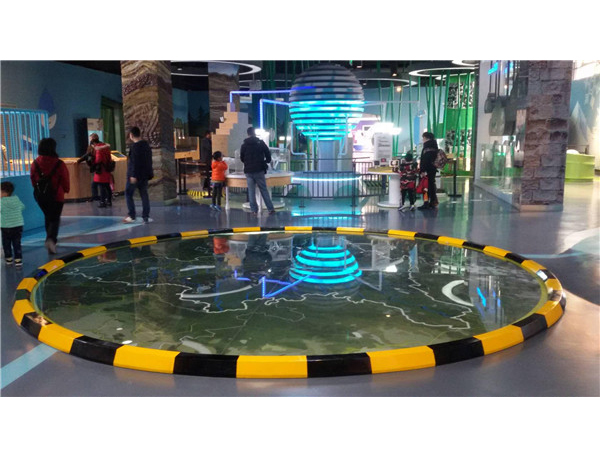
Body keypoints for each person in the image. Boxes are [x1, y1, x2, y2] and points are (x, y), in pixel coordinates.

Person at [30, 137, 70, 254]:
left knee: (48, 217)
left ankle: (49, 238)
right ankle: (51, 240)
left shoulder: (35, 163)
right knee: (55, 218)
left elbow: (32, 178)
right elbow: (65, 179)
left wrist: (39, 189)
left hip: (41, 196)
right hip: (56, 195)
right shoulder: (59, 163)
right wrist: (66, 189)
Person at [240, 127, 275, 216]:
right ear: (254, 133)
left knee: (251, 191)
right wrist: (267, 161)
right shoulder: (260, 143)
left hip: (248, 171)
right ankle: (270, 209)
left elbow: (242, 158)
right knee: (263, 189)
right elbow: (268, 153)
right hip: (259, 169)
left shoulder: (244, 145)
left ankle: (254, 210)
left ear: (248, 134)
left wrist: (247, 163)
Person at [123, 126, 153, 223]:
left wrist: (133, 175)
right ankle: (145, 216)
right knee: (144, 194)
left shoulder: (135, 147)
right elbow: (148, 161)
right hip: (144, 175)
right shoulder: (146, 146)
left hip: (135, 175)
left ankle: (132, 215)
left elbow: (134, 163)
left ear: (131, 135)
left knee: (128, 193)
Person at [1, 181, 25, 267]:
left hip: (6, 226)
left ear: (3, 192)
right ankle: (18, 259)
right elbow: (22, 207)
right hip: (18, 225)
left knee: (6, 243)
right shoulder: (16, 198)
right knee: (17, 243)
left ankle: (9, 258)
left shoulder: (1, 202)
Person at [418, 132, 439, 210]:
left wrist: (422, 170)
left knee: (425, 187)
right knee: (431, 185)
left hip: (427, 170)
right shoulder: (434, 146)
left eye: (423, 138)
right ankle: (433, 201)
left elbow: (425, 160)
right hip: (432, 169)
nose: (422, 140)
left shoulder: (427, 147)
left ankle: (426, 203)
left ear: (426, 138)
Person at [92, 142, 113, 208]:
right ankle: (109, 201)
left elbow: (98, 160)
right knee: (107, 186)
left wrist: (94, 162)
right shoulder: (107, 149)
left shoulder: (98, 150)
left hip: (101, 170)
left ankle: (102, 202)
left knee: (101, 186)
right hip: (107, 169)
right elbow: (109, 158)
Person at [200, 130, 212, 196]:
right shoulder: (205, 141)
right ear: (208, 134)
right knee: (207, 173)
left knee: (208, 173)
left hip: (208, 159)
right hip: (206, 159)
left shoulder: (206, 140)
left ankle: (207, 185)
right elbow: (209, 148)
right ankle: (206, 186)